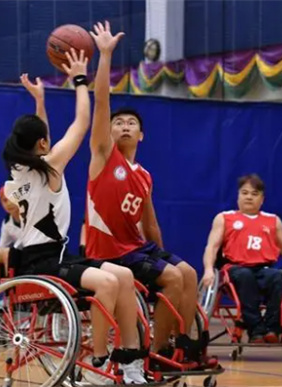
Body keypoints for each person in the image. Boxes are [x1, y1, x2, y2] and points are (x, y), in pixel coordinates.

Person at [2, 46, 146, 385]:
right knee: (108, 281)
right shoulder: (48, 166)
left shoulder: (19, 172)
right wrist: (80, 79)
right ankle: (98, 364)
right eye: (45, 140)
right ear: (41, 145)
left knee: (123, 276)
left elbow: (43, 140)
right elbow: (81, 124)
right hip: (40, 264)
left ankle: (130, 359)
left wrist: (40, 102)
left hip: (48, 257)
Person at [83, 21, 200, 361]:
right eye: (118, 123)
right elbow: (102, 101)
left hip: (137, 248)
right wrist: (104, 56)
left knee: (187, 273)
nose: (123, 126)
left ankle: (184, 343)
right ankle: (157, 353)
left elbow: (150, 226)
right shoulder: (104, 156)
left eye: (131, 123)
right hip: (109, 253)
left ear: (142, 135)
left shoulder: (145, 176)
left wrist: (160, 254)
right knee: (174, 278)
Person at [201, 174, 282, 343]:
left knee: (277, 277)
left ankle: (272, 330)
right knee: (245, 276)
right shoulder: (225, 218)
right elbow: (211, 247)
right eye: (245, 192)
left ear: (262, 199)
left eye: (254, 194)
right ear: (238, 196)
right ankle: (256, 330)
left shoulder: (273, 221)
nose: (249, 197)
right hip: (234, 269)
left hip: (263, 268)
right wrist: (208, 270)